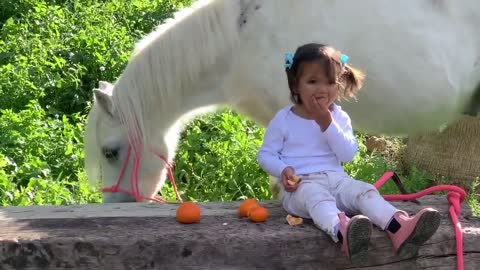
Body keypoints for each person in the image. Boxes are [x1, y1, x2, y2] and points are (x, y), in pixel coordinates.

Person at [257, 43, 441, 264]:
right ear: (295, 85)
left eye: (330, 82)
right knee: (316, 196)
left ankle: (399, 227)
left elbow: (347, 155)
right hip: (300, 187)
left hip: (337, 180)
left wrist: (327, 123)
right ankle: (344, 233)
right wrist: (283, 170)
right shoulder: (284, 119)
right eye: (313, 81)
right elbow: (266, 155)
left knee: (364, 191)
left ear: (339, 84)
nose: (322, 89)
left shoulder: (339, 118)